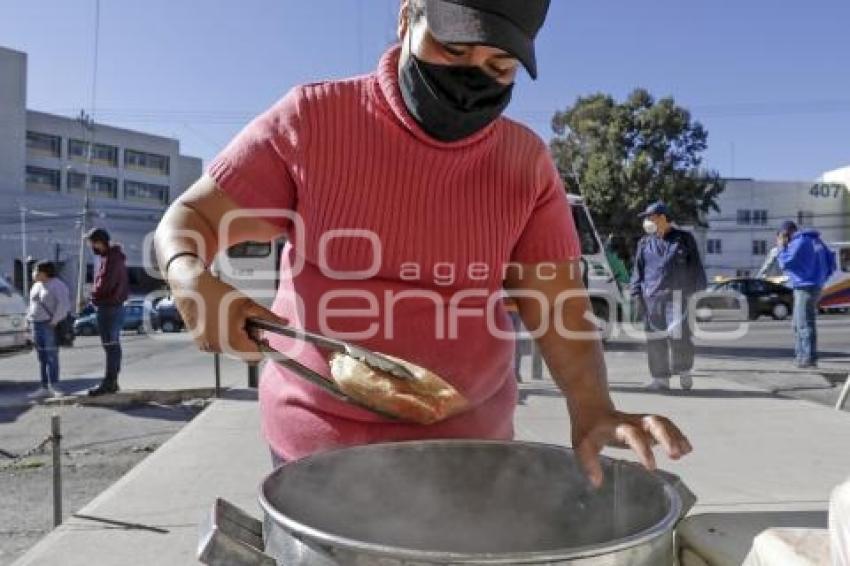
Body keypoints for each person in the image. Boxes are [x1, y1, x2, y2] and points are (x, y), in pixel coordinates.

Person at [154, 0, 691, 485]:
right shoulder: (313, 122)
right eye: (452, 48)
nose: (468, 78)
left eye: (498, 67)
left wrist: (593, 408)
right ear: (407, 16)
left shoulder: (525, 164)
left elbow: (556, 304)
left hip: (469, 449)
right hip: (317, 448)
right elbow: (190, 218)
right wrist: (188, 277)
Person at [630, 202, 707, 392]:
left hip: (678, 297)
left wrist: (696, 293)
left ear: (662, 218)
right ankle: (660, 378)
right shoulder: (645, 242)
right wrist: (636, 294)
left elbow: (696, 267)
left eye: (650, 217)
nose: (647, 222)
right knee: (655, 339)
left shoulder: (684, 239)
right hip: (652, 298)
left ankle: (684, 370)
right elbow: (637, 271)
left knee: (680, 336)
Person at [775, 220, 836, 369]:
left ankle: (808, 357)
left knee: (804, 323)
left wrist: (781, 246)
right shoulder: (817, 241)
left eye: (783, 235)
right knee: (798, 323)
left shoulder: (799, 242)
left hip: (805, 287)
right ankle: (802, 356)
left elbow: (785, 262)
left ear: (787, 233)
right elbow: (832, 263)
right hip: (815, 286)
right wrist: (821, 278)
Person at [85, 228, 130, 396]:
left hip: (109, 306)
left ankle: (109, 382)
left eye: (92, 243)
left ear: (99, 241)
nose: (91, 246)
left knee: (111, 346)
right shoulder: (112, 257)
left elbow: (106, 283)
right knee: (112, 345)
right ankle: (112, 382)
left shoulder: (112, 259)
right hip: (113, 305)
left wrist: (93, 295)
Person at [26, 261, 70, 399]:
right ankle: (44, 386)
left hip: (49, 325)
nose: (34, 273)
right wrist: (28, 321)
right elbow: (31, 304)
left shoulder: (58, 285)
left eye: (36, 270)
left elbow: (64, 305)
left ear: (45, 272)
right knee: (42, 357)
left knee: (52, 356)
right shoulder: (36, 285)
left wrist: (54, 321)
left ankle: (54, 386)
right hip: (35, 324)